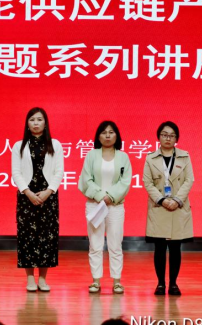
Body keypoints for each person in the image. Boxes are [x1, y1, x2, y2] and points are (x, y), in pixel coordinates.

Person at [11, 107, 64, 292]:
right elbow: (16, 172)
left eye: (39, 119)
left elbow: (59, 171)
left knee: (47, 238)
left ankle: (42, 278)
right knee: (27, 237)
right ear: (27, 123)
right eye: (32, 119)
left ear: (45, 123)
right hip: (27, 197)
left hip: (49, 197)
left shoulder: (55, 145)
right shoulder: (19, 146)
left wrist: (49, 191)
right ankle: (30, 278)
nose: (36, 123)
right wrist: (28, 193)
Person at [78, 121, 132, 294]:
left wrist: (110, 197)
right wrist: (101, 196)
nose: (107, 135)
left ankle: (117, 281)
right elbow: (86, 179)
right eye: (103, 132)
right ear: (98, 136)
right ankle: (95, 281)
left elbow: (125, 182)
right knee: (95, 244)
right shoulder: (91, 155)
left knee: (115, 244)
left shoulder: (123, 157)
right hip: (95, 205)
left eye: (111, 132)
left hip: (115, 206)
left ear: (117, 135)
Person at [143, 121, 194, 296]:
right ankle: (160, 284)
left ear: (176, 139)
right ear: (159, 137)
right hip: (159, 207)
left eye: (171, 135)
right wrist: (162, 200)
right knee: (159, 248)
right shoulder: (150, 158)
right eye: (164, 135)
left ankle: (173, 284)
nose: (168, 138)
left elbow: (189, 180)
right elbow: (147, 183)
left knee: (175, 248)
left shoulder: (184, 157)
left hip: (178, 207)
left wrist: (177, 200)